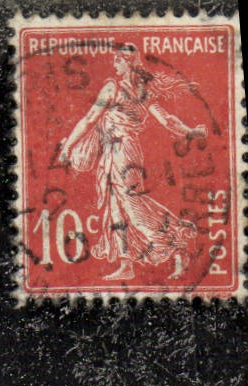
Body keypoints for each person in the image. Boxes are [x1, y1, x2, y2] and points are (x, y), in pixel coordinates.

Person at [55, 44, 207, 280]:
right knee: (115, 207)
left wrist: (67, 147)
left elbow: (89, 119)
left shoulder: (112, 88)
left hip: (121, 151)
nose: (113, 64)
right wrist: (190, 131)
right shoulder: (144, 92)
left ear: (127, 62)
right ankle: (126, 265)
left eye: (117, 60)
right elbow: (167, 120)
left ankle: (177, 245)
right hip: (118, 150)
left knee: (132, 206)